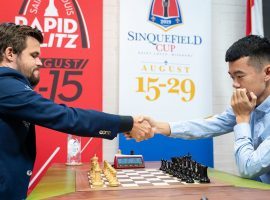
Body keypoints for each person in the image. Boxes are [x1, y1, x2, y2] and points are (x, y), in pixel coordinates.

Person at [0, 22, 152, 199]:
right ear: (10, 53)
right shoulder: (5, 85)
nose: (40, 62)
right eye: (34, 55)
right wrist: (128, 123)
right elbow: (66, 117)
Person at [137, 35, 270, 184]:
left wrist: (243, 120)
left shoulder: (244, 111)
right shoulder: (249, 103)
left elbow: (248, 168)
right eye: (232, 77)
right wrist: (159, 127)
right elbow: (210, 125)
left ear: (267, 73)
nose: (235, 84)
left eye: (240, 76)